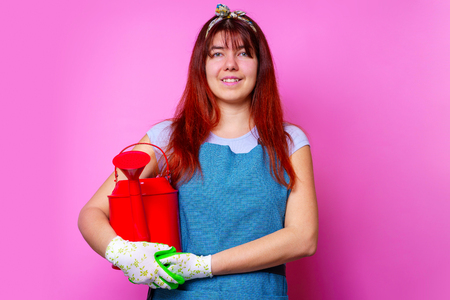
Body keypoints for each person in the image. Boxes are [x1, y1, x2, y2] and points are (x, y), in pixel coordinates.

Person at [78, 4, 318, 299]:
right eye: (217, 53)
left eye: (243, 53)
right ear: (201, 66)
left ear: (261, 65)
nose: (230, 64)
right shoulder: (167, 138)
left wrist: (203, 265)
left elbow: (303, 238)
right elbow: (92, 213)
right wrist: (122, 252)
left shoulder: (289, 141)